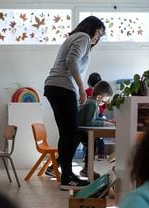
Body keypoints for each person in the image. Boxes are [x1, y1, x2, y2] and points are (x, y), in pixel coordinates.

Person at [44, 16, 106, 190]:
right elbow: (71, 61)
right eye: (98, 33)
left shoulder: (74, 37)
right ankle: (67, 177)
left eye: (100, 36)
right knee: (71, 133)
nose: (97, 38)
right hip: (63, 86)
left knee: (68, 133)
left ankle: (66, 175)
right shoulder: (83, 37)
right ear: (91, 27)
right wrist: (80, 87)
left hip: (55, 86)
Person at [77, 80, 114, 179]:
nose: (104, 104)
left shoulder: (93, 103)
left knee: (91, 144)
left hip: (79, 130)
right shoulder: (92, 104)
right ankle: (87, 169)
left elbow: (94, 119)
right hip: (77, 132)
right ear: (98, 97)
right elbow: (90, 122)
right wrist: (105, 123)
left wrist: (107, 121)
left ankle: (87, 169)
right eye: (104, 101)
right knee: (91, 143)